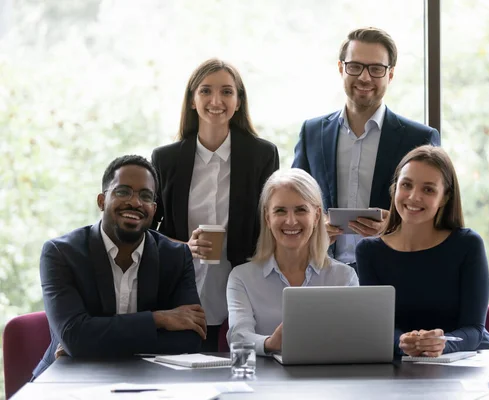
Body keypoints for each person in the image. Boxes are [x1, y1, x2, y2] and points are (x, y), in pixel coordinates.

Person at [33, 155, 206, 378]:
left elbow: (189, 341)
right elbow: (75, 336)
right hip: (70, 378)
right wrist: (158, 319)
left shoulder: (175, 257)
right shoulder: (61, 254)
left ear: (153, 209)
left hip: (150, 381)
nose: (135, 202)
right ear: (101, 201)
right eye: (123, 191)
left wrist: (90, 342)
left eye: (145, 196)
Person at [151, 58, 279, 351]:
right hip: (181, 293)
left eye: (227, 92)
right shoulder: (165, 159)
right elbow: (147, 233)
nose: (216, 100)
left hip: (243, 291)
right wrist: (185, 247)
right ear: (193, 100)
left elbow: (269, 224)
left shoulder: (262, 155)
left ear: (238, 101)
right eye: (206, 91)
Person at [292, 27, 441, 270]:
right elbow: (294, 201)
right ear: (341, 68)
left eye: (376, 69)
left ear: (390, 75)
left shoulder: (420, 138)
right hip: (321, 272)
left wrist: (394, 228)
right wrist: (315, 228)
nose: (364, 77)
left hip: (392, 269)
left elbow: (437, 217)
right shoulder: (312, 132)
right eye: (355, 66)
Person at [356, 146, 489, 358]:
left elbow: (474, 330)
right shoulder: (369, 252)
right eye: (406, 185)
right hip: (405, 366)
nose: (414, 197)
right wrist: (402, 343)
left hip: (469, 364)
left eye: (428, 189)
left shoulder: (467, 245)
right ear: (394, 188)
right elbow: (379, 326)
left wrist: (442, 345)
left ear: (445, 197)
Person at [226, 168, 358, 355]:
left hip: (328, 379)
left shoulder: (344, 277)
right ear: (267, 216)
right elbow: (238, 335)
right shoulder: (242, 277)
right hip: (264, 380)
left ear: (317, 216)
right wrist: (271, 343)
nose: (290, 221)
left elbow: (353, 338)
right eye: (280, 211)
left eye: (300, 210)